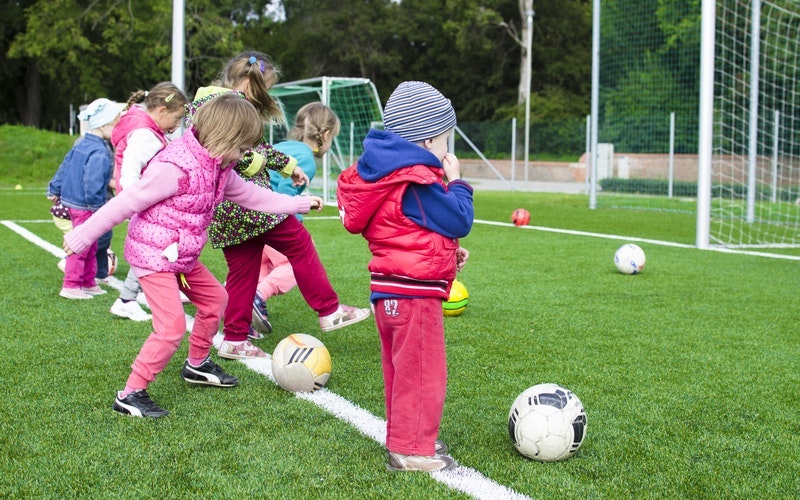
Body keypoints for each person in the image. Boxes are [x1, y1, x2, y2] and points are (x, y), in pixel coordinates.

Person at [62, 94, 323, 418]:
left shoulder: (220, 167)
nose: (245, 157)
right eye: (242, 149)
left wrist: (297, 203)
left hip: (181, 256)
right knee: (171, 327)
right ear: (224, 138)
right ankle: (130, 394)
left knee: (216, 301)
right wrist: (83, 235)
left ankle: (197, 365)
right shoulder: (174, 168)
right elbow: (126, 202)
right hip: (153, 256)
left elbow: (252, 196)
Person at [186, 51, 369, 362]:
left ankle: (234, 338)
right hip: (249, 204)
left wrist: (288, 167)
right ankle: (329, 310)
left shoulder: (208, 103)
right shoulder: (227, 106)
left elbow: (257, 148)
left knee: (244, 272)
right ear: (247, 83)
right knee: (299, 243)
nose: (265, 96)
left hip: (226, 211)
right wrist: (261, 166)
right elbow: (234, 154)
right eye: (264, 88)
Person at [336, 81, 474, 472]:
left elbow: (407, 230)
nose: (449, 150)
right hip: (413, 297)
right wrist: (458, 182)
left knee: (401, 372)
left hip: (390, 291)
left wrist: (447, 254)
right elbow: (459, 217)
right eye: (447, 140)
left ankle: (406, 436)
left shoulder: (387, 176)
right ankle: (411, 449)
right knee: (422, 373)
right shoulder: (416, 180)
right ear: (429, 139)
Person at [250, 102, 342, 337]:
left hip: (248, 216)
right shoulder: (307, 160)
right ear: (326, 134)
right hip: (270, 219)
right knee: (294, 263)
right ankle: (258, 296)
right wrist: (294, 230)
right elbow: (284, 194)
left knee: (258, 267)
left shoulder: (281, 146)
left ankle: (242, 313)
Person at [108, 82, 189, 322]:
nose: (176, 127)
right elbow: (130, 173)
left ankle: (138, 294)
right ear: (162, 111)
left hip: (145, 203)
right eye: (176, 119)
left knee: (157, 248)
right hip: (143, 204)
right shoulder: (145, 136)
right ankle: (126, 299)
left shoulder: (148, 130)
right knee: (152, 250)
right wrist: (138, 202)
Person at [48, 98, 121, 299]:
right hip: (86, 205)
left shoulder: (82, 143)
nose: (117, 129)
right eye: (116, 124)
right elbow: (93, 181)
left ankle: (88, 282)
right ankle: (71, 285)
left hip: (76, 202)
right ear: (105, 125)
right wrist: (98, 207)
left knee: (91, 244)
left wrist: (54, 187)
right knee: (81, 244)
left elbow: (64, 165)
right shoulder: (99, 150)